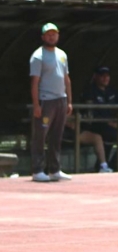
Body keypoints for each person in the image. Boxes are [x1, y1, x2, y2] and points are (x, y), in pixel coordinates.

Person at [29, 22, 73, 182]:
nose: (51, 36)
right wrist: (36, 105)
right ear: (43, 37)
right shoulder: (38, 56)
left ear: (58, 35)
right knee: (41, 136)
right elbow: (34, 82)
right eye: (48, 34)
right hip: (46, 100)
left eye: (54, 33)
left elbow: (67, 78)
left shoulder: (62, 54)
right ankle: (37, 169)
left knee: (57, 135)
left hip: (61, 99)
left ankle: (55, 169)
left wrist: (69, 100)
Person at [82, 66, 118, 172]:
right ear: (96, 77)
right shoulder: (90, 91)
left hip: (111, 124)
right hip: (96, 125)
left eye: (107, 76)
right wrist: (107, 122)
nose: (105, 78)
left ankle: (114, 164)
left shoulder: (110, 91)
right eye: (102, 76)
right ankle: (102, 165)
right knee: (110, 134)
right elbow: (90, 113)